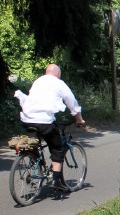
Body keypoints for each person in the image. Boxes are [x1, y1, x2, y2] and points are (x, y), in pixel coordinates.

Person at [14, 63, 85, 191]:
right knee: (57, 147)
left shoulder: (38, 81)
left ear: (46, 72)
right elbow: (71, 100)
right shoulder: (59, 83)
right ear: (58, 74)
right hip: (44, 121)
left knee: (35, 142)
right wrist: (78, 118)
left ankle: (33, 158)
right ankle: (56, 181)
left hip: (27, 119)